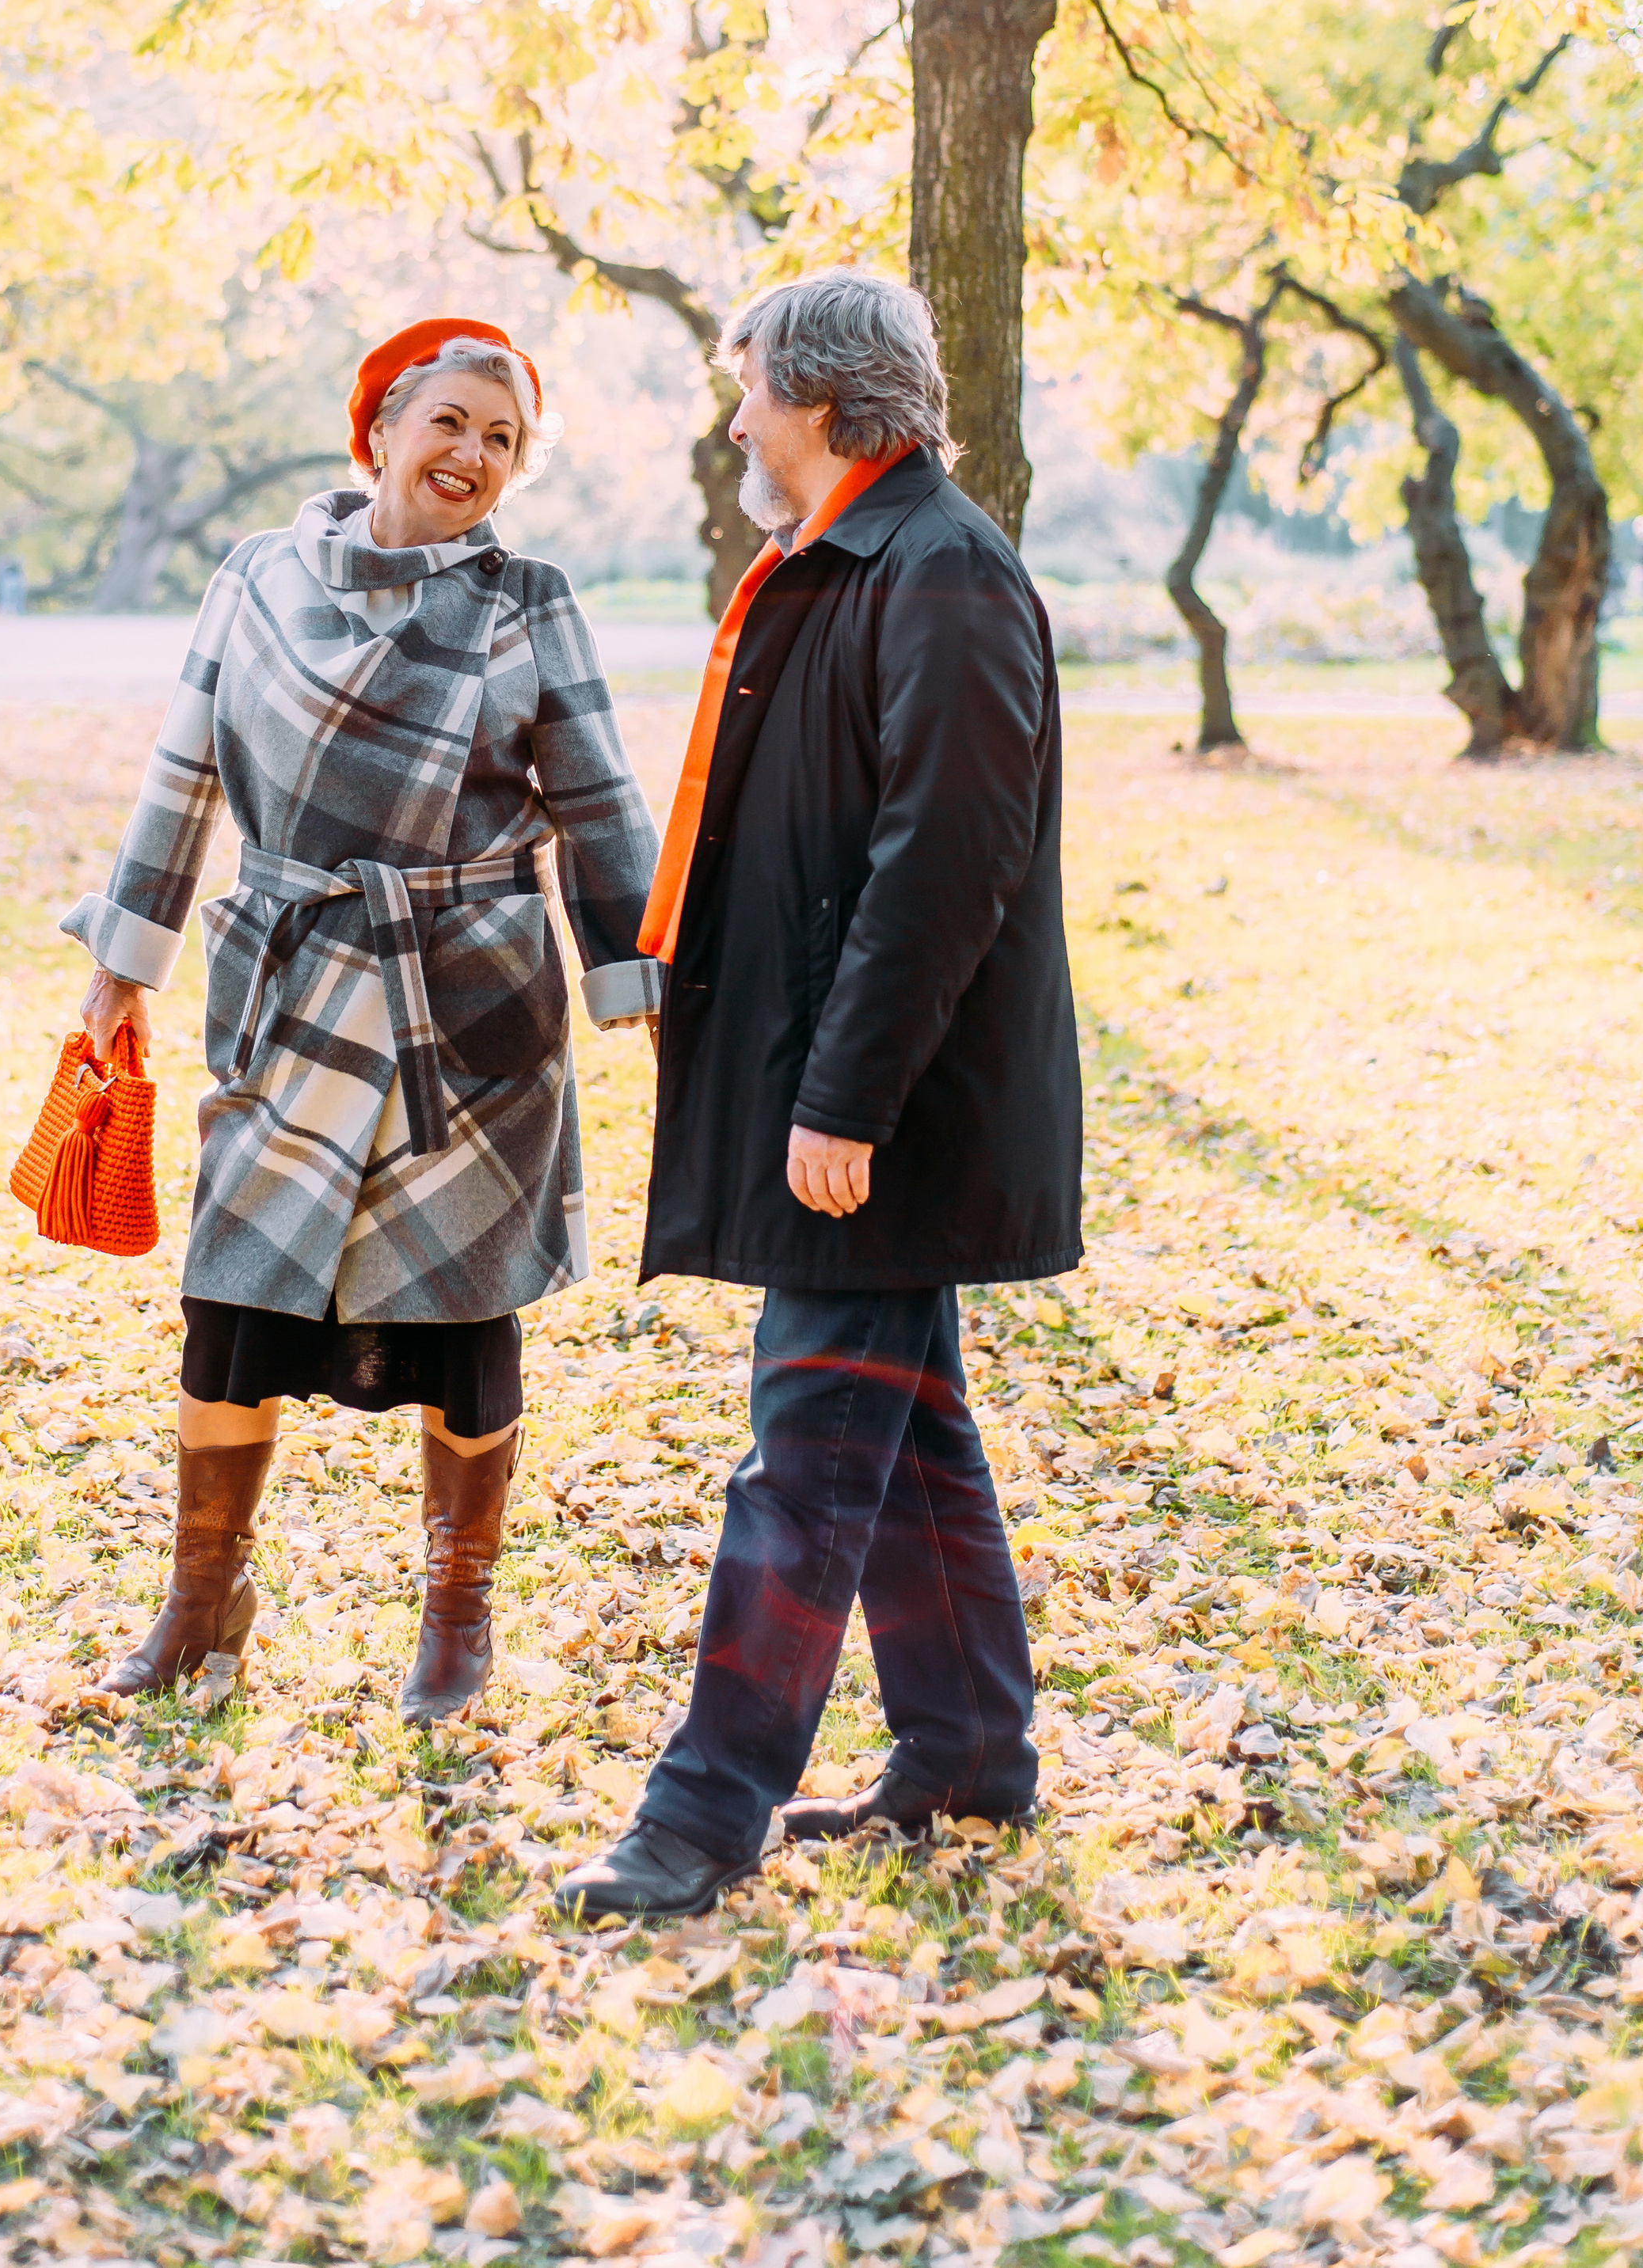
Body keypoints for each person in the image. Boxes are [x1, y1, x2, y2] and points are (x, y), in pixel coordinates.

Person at [559, 271, 1083, 1922]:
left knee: (805, 1457)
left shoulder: (940, 575)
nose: (731, 422)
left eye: (746, 393)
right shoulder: (859, 558)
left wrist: (841, 1103)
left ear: (825, 402)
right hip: (835, 1089)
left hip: (884, 1118)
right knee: (904, 1437)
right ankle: (965, 1757)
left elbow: (940, 868)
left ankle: (699, 1816)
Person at [64, 316, 664, 1717]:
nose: (471, 455)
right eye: (449, 421)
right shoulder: (256, 577)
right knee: (232, 1305)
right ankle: (202, 1604)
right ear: (381, 427)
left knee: (467, 1326)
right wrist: (122, 963)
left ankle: (457, 1617)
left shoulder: (530, 598)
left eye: (502, 438)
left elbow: (600, 803)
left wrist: (640, 987)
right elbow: (182, 768)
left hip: (472, 1006)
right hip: (288, 983)